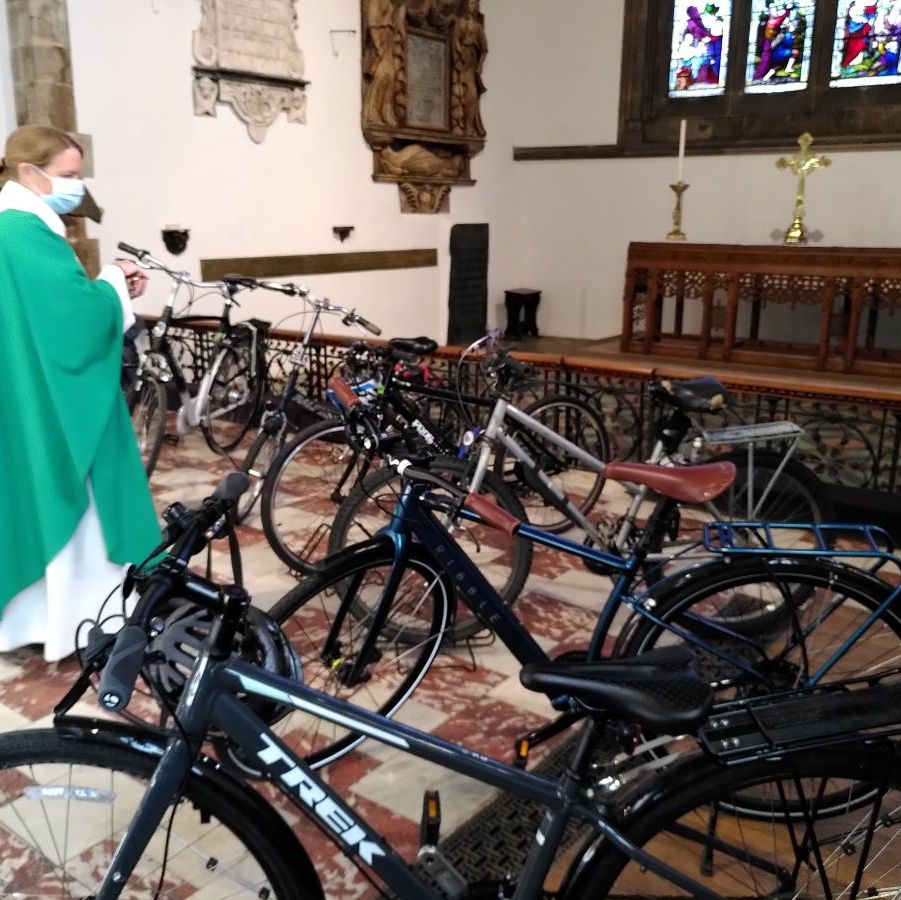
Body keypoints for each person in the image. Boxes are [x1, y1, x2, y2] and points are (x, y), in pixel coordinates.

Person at [0, 124, 161, 661]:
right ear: (29, 173)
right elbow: (74, 321)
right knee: (71, 500)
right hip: (51, 404)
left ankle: (38, 617)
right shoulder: (23, 233)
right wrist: (115, 279)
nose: (77, 186)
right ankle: (78, 619)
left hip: (25, 393)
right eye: (68, 175)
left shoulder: (18, 230)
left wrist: (108, 286)